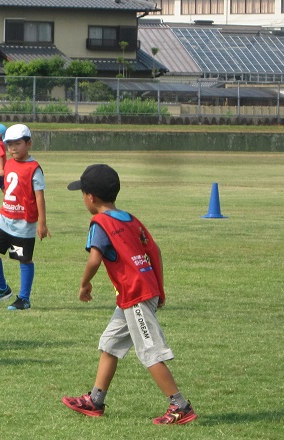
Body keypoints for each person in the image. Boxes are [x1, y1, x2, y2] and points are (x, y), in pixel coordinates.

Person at [62, 164, 197, 425]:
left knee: (149, 352)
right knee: (110, 343)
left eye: (83, 194)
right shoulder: (130, 218)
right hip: (139, 291)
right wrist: (160, 288)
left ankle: (180, 406)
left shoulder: (99, 223)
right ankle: (95, 400)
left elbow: (94, 259)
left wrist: (84, 284)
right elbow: (154, 252)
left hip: (135, 295)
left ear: (91, 197)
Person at [0, 124, 50, 311]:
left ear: (29, 143)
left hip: (24, 221)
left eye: (17, 143)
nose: (13, 148)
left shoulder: (34, 168)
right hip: (4, 217)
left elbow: (39, 197)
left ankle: (24, 299)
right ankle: (2, 288)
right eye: (9, 144)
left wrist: (42, 223)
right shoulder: (10, 164)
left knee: (24, 259)